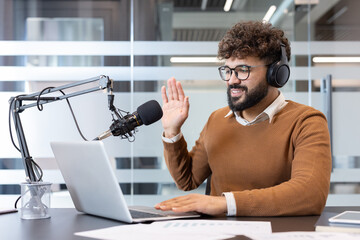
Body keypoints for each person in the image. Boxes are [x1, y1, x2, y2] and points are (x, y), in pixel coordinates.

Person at [154, 21, 332, 217]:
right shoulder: (217, 119)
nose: (232, 80)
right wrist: (172, 132)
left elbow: (311, 194)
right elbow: (187, 180)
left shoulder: (307, 121)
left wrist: (225, 203)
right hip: (216, 233)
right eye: (228, 70)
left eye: (243, 70)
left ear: (276, 73)